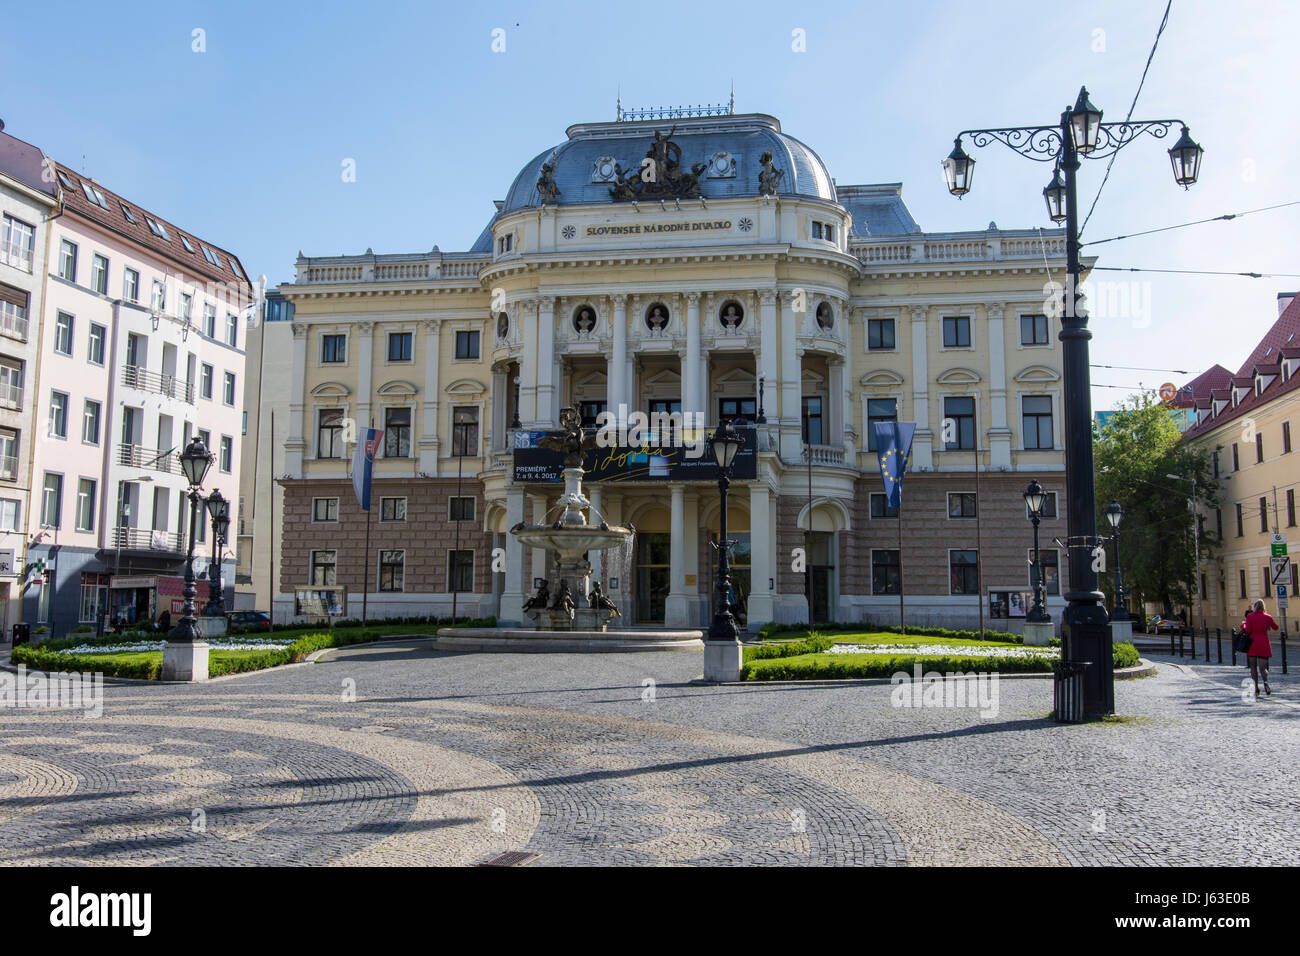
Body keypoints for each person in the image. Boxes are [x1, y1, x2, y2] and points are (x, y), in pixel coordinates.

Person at [1242, 599, 1278, 697]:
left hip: (1252, 644)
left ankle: (1256, 688)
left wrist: (1244, 626)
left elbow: (1248, 630)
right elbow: (1276, 627)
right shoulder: (1268, 617)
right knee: (1263, 668)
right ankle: (1265, 682)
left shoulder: (1250, 616)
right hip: (1264, 643)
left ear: (1255, 607)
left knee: (1253, 667)